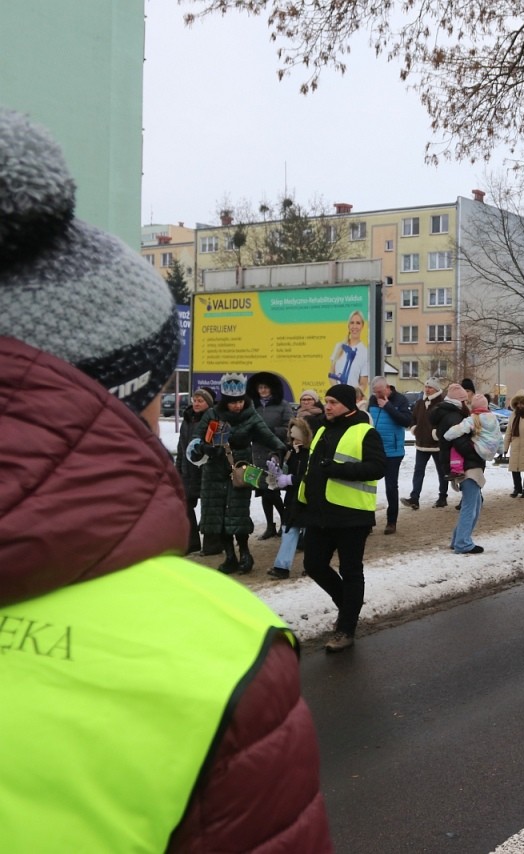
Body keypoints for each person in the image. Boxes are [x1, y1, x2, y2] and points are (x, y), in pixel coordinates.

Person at [0, 107, 329, 849]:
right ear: (133, 402)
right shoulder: (222, 652)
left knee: (232, 527)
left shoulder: (256, 421)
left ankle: (244, 550)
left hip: (250, 490)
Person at [298, 384, 386, 652]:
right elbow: (314, 468)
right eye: (327, 401)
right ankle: (349, 607)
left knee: (350, 571)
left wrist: (339, 469)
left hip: (352, 515)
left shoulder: (365, 431)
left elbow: (378, 467)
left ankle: (346, 628)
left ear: (348, 404)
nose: (328, 406)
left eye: (333, 402)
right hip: (320, 513)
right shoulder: (323, 429)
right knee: (313, 564)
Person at [189, 373, 287, 574]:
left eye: (241, 401)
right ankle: (230, 557)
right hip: (214, 473)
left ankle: (245, 553)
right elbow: (197, 439)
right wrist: (203, 449)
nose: (238, 405)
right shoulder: (212, 415)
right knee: (219, 517)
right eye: (233, 402)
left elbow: (268, 436)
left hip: (240, 473)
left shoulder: (251, 415)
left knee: (238, 515)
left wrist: (279, 450)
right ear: (226, 401)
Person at [439, 387, 489, 554]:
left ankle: (458, 539)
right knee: (470, 505)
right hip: (468, 466)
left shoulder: (450, 415)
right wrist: (480, 450)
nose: (467, 404)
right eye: (465, 401)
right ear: (459, 401)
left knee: (476, 503)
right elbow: (461, 444)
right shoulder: (456, 418)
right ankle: (462, 543)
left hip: (462, 465)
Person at [266, 417, 313, 579]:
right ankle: (281, 567)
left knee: (310, 534)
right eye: (291, 437)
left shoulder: (312, 453)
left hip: (308, 499)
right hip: (292, 499)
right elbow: (278, 451)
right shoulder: (290, 453)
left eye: (296, 437)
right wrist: (277, 465)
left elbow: (312, 477)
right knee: (288, 531)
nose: (293, 440)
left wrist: (290, 479)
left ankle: (312, 566)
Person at [368, 376, 413, 534]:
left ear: (387, 388)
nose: (377, 395)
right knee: (368, 486)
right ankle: (367, 522)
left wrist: (388, 406)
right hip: (374, 450)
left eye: (379, 392)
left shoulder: (400, 400)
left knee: (391, 487)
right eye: (375, 392)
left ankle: (391, 522)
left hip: (393, 451)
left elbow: (406, 421)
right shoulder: (372, 400)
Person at [249, 372, 291, 540]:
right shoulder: (252, 406)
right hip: (256, 454)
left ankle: (285, 521)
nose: (263, 390)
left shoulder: (282, 405)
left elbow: (289, 426)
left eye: (266, 387)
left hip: (275, 452)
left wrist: (271, 433)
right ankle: (270, 526)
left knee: (271, 491)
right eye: (260, 387)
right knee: (262, 491)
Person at [177, 387, 217, 554]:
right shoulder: (187, 418)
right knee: (185, 505)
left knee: (209, 508)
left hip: (206, 471)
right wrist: (178, 469)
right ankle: (191, 542)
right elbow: (181, 447)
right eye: (195, 400)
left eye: (200, 401)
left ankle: (212, 545)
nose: (196, 403)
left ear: (208, 403)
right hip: (188, 472)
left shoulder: (213, 420)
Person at [404, 377, 450, 510]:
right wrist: (414, 429)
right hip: (421, 443)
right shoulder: (419, 403)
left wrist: (437, 434)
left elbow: (445, 422)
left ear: (436, 389)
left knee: (441, 472)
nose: (427, 389)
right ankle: (414, 498)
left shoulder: (442, 403)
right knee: (418, 471)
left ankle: (443, 497)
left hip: (437, 445)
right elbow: (413, 419)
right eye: (426, 386)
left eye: (430, 387)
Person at [329, 309, 369, 395]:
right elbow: (331, 373)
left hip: (352, 399)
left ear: (362, 326)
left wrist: (351, 396)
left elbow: (363, 384)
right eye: (352, 323)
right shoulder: (339, 347)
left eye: (358, 323)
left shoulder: (365, 352)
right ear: (348, 325)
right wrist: (337, 392)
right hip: (337, 397)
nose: (354, 326)